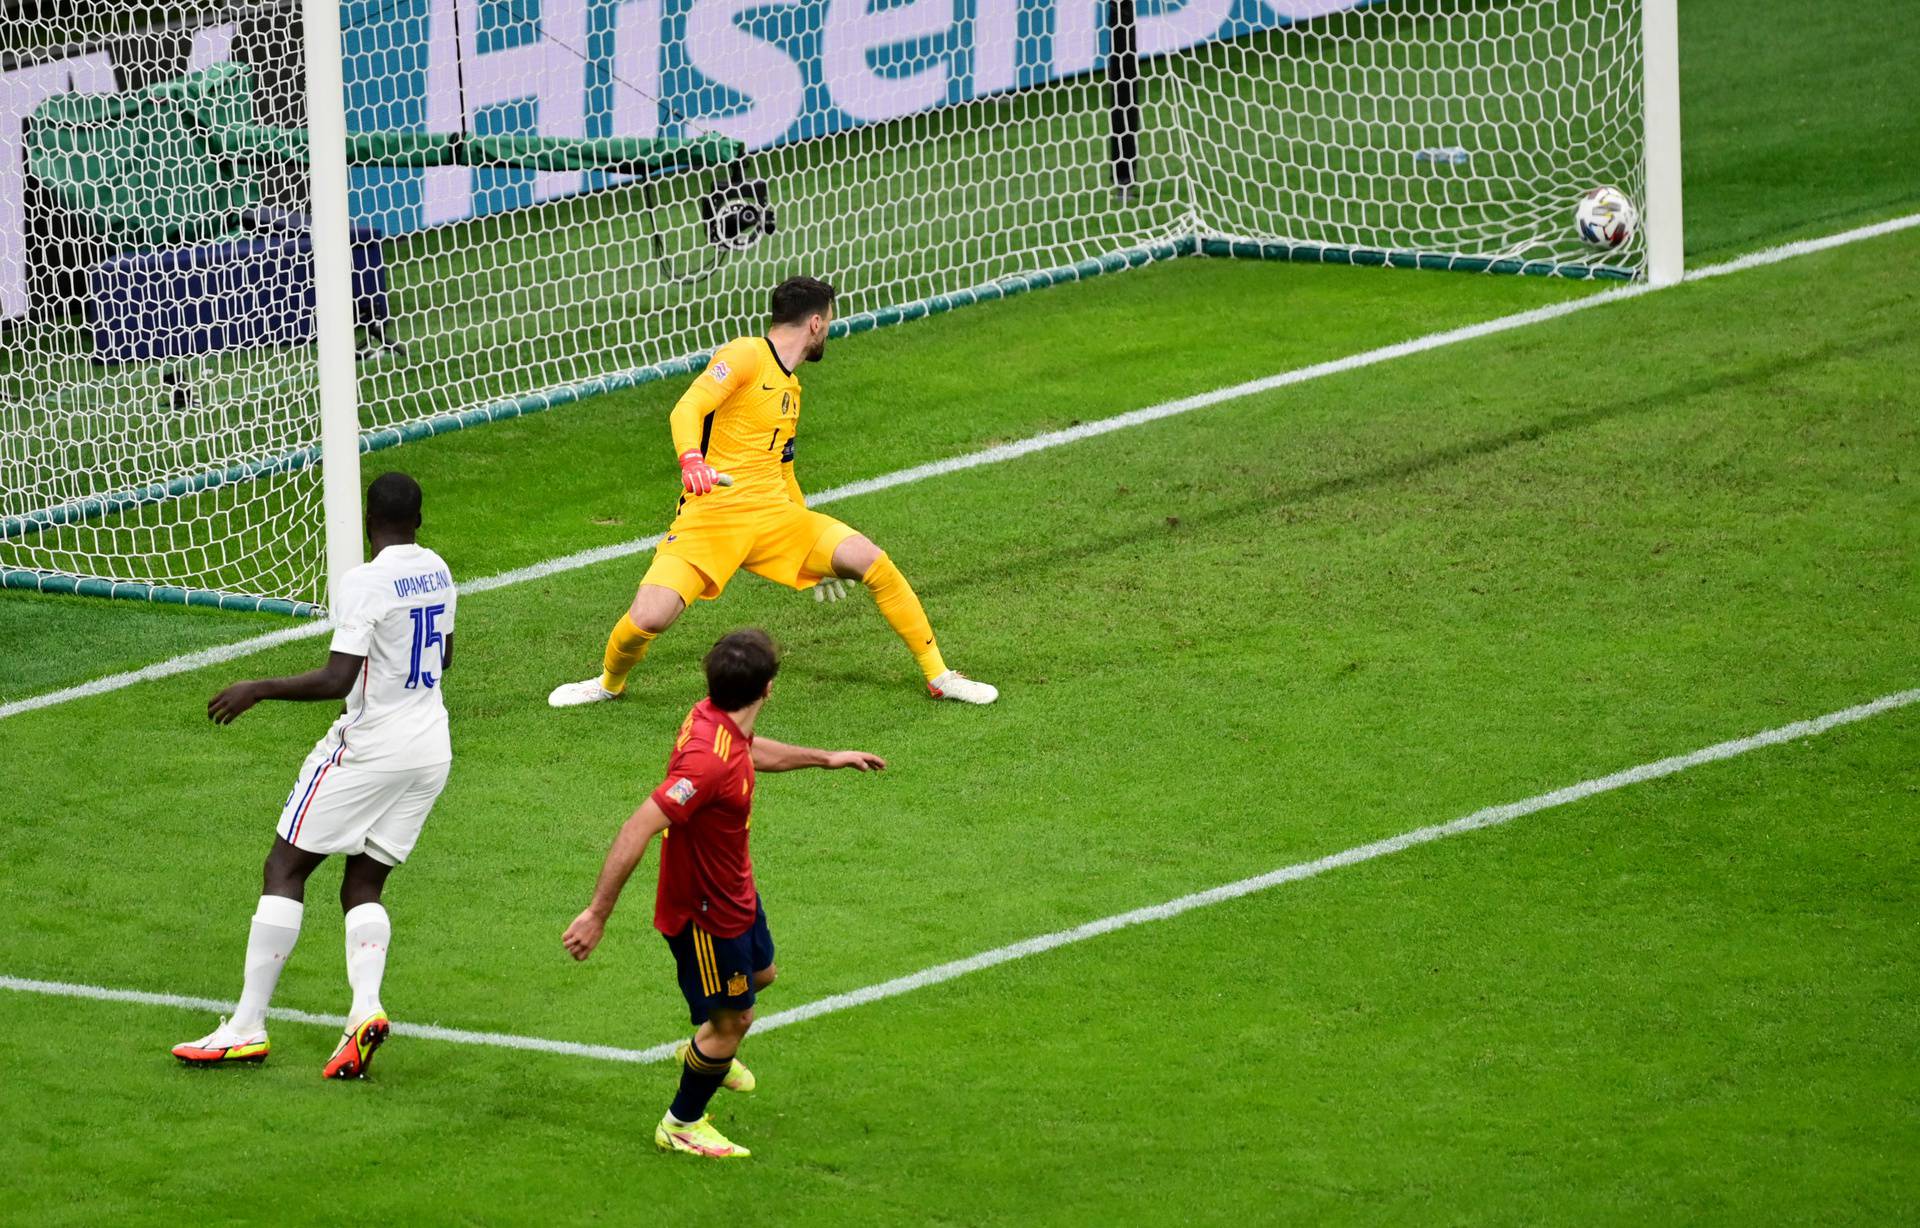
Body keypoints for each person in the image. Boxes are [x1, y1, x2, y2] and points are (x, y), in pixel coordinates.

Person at [547, 275, 997, 709]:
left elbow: (784, 472)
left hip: (774, 516)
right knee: (649, 618)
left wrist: (813, 552)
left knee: (870, 560)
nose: (829, 330)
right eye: (830, 321)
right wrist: (691, 460)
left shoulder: (791, 389)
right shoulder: (744, 355)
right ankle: (608, 683)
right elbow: (688, 407)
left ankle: (939, 677)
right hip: (714, 516)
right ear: (815, 323)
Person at [171, 472, 456, 1080]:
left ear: (366, 518)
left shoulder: (366, 581)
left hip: (371, 748)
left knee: (286, 868)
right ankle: (362, 1010)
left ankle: (246, 1026)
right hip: (431, 746)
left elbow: (335, 679)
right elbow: (444, 657)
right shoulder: (438, 568)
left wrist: (258, 687)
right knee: (363, 884)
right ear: (420, 519)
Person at [561, 628, 885, 1158]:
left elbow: (750, 751)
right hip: (706, 911)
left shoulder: (716, 723)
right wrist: (597, 913)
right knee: (735, 1021)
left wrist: (827, 758)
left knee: (762, 976)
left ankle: (707, 1046)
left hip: (736, 890)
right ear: (769, 689)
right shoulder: (706, 766)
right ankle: (682, 1122)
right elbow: (637, 827)